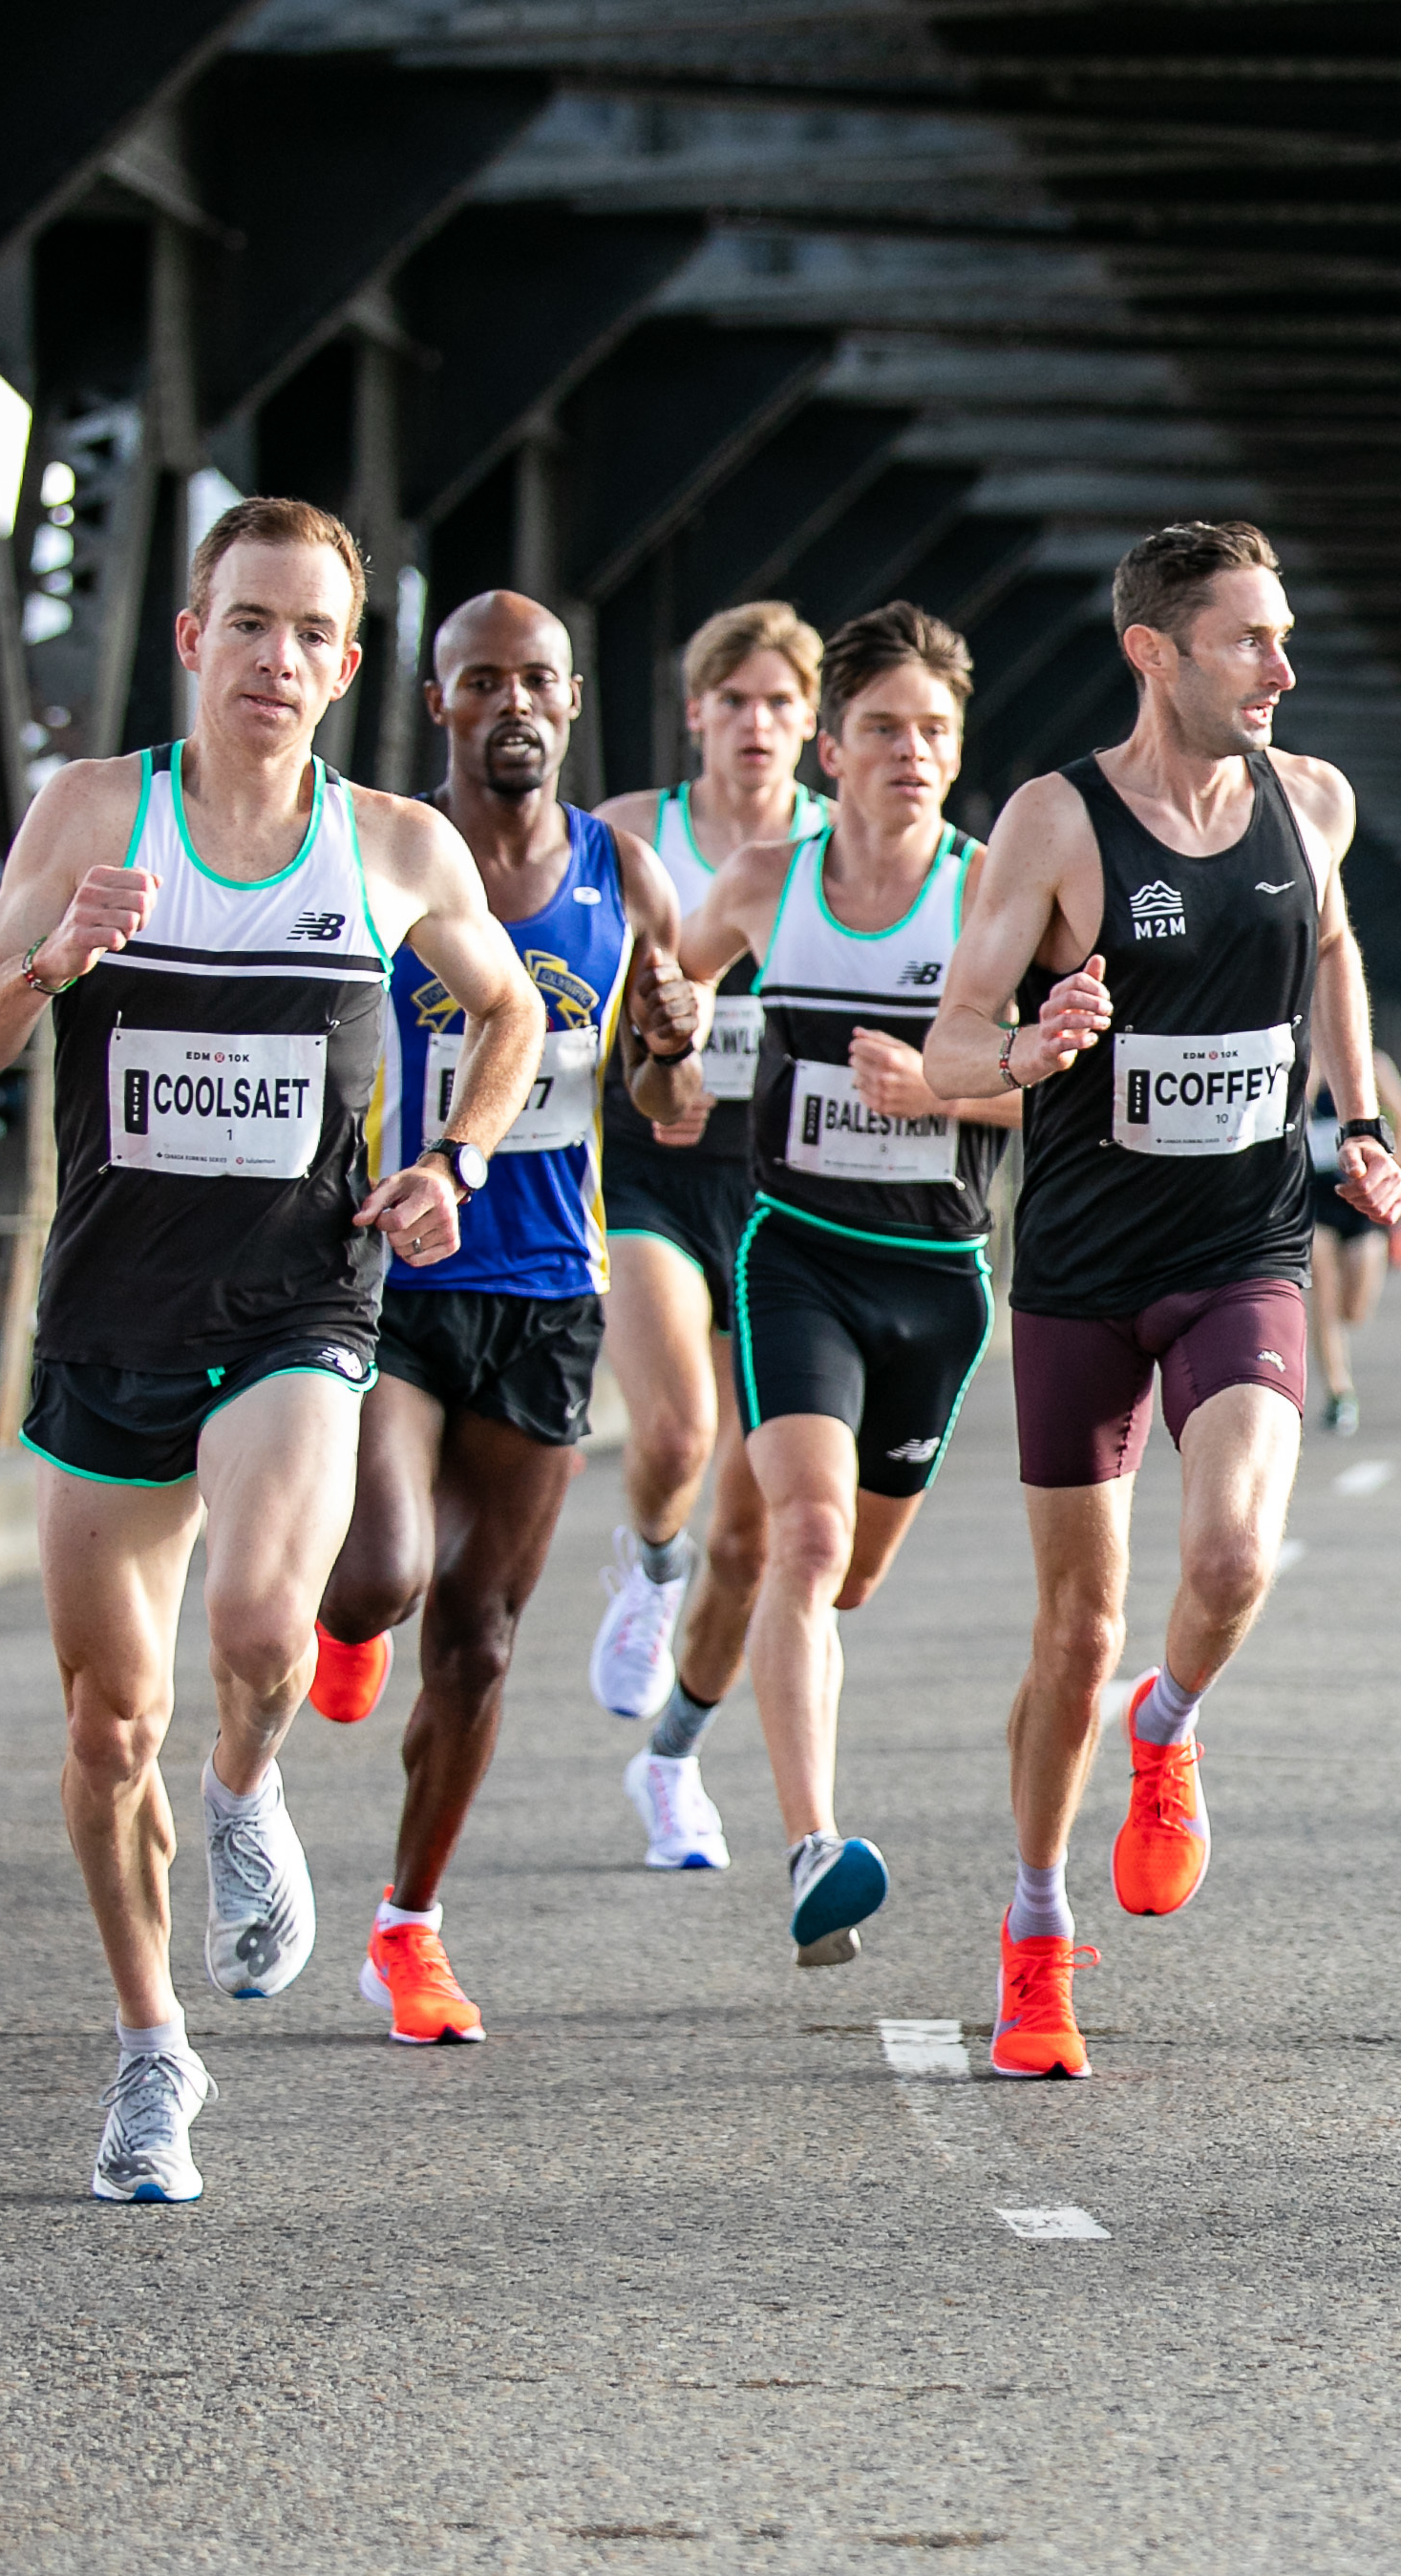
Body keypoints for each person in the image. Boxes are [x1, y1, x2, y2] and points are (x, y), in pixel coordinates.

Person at [0, 496, 540, 2204]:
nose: (275, 657)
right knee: (107, 1725)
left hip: (299, 1305)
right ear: (193, 639)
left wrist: (458, 1157)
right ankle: (149, 2054)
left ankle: (253, 1782)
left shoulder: (397, 846)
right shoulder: (98, 812)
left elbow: (516, 1009)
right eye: (246, 621)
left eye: (309, 633)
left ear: (347, 667)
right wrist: (54, 955)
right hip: (112, 1319)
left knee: (265, 1620)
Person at [915, 518, 1401, 2082]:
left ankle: (1172, 1722)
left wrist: (1363, 1122)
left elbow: (1333, 949)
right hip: (1077, 1267)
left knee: (1236, 1545)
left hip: (1246, 1245)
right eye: (1249, 639)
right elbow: (946, 1048)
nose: (1282, 666)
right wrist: (1029, 1052)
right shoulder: (1055, 825)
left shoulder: (1309, 799)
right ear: (1155, 651)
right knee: (1075, 1631)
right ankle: (1039, 1924)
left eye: (1281, 636)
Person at [302, 592, 703, 2042]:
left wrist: (669, 1048)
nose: (513, 704)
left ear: (575, 702)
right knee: (386, 1577)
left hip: (547, 1289)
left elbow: (664, 1108)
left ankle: (407, 1929)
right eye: (484, 683)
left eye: (538, 681)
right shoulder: (385, 857)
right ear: (439, 705)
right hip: (390, 1273)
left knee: (478, 1638)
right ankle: (344, 1615)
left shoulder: (626, 873)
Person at [668, 601, 1022, 1968]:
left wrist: (946, 1081)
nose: (910, 752)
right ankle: (816, 1846)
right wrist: (671, 1045)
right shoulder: (768, 879)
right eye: (882, 727)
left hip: (937, 1277)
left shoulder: (997, 888)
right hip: (796, 1255)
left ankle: (713, 1704)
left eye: (934, 730)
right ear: (830, 745)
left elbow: (1063, 1091)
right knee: (803, 1540)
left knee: (852, 1575)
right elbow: (672, 1009)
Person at [587, 602, 833, 1869]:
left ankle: (672, 1759)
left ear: (814, 724)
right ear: (697, 714)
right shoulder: (637, 835)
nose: (755, 723)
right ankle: (644, 1559)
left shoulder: (849, 854)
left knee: (757, 1539)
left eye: (780, 703)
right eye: (732, 700)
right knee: (674, 1429)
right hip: (654, 1166)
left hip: (790, 1186)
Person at [1304, 1045, 1401, 1432]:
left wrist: (1392, 1171)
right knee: (1322, 1290)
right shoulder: (1303, 1060)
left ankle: (1335, 1336)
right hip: (1316, 1195)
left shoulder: (1372, 1064)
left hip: (1361, 1199)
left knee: (1353, 1310)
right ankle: (1340, 1391)